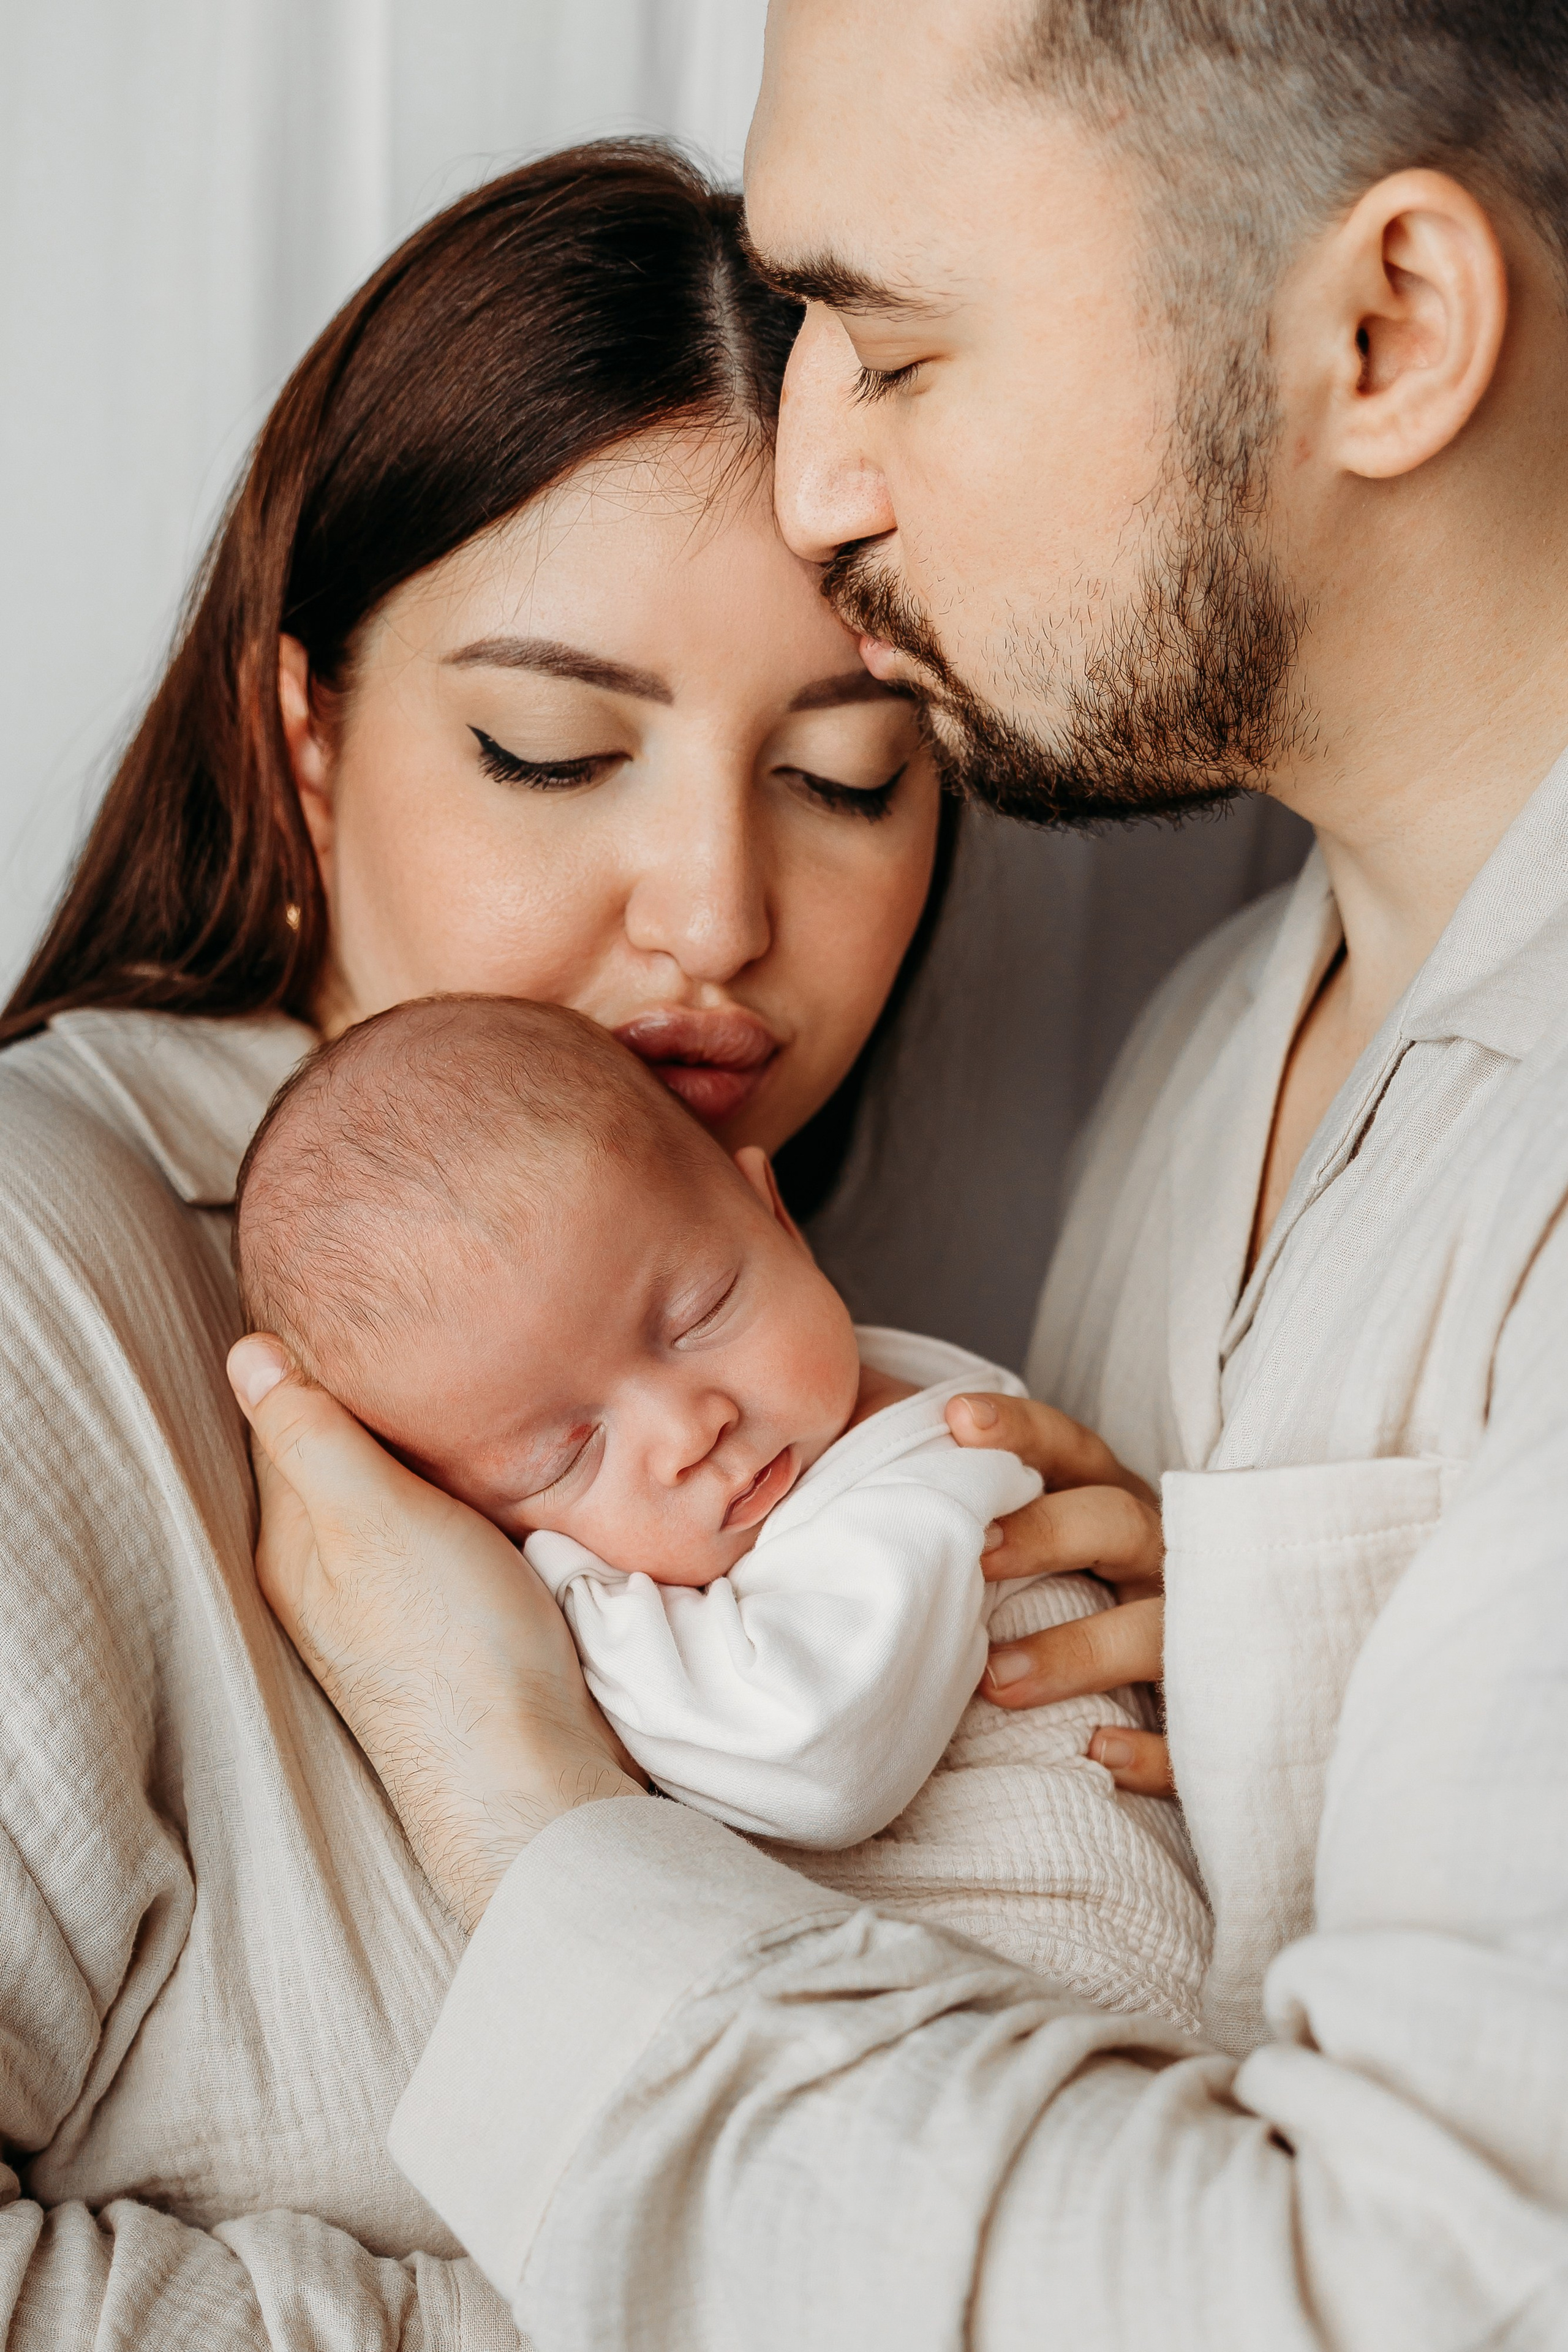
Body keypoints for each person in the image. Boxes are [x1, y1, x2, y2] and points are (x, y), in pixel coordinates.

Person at [227, 1, 1568, 2344]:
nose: (815, 478)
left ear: (1388, 330)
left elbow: (1424, 2300)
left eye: (895, 345)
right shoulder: (1205, 1055)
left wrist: (534, 1814)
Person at [0, 139, 1189, 2348]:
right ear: (311, 739)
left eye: (849, 776)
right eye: (553, 751)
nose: (721, 918)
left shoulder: (867, 1380)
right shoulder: (39, 1284)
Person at [232, 992, 1209, 2013]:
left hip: (1077, 1998)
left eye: (698, 1314)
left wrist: (560, 1586)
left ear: (774, 1215)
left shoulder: (933, 1467)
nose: (689, 1427)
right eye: (564, 1458)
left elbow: (810, 1761)